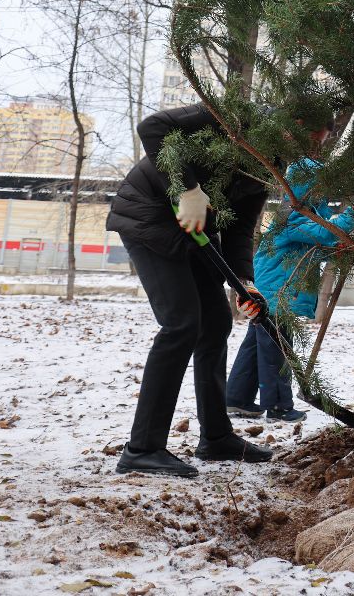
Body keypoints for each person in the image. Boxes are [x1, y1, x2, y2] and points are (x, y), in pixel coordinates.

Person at [106, 105, 273, 477]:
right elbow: (152, 127)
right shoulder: (237, 117)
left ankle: (216, 437)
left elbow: (240, 228)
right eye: (312, 136)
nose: (314, 146)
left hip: (195, 231)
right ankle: (142, 449)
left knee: (215, 324)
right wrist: (188, 188)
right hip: (148, 216)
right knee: (182, 324)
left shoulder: (268, 165)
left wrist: (245, 282)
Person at [226, 150, 354, 422]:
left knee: (255, 346)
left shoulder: (303, 215)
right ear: (306, 186)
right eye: (319, 186)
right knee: (277, 349)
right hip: (276, 295)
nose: (323, 192)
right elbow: (322, 234)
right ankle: (278, 407)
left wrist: (338, 246)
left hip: (272, 291)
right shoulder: (293, 217)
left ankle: (236, 398)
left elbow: (316, 245)